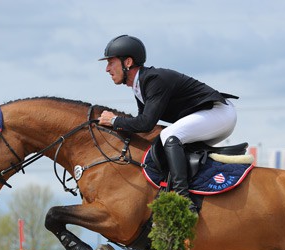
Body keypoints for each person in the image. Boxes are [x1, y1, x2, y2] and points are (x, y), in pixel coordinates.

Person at [98, 35, 238, 213]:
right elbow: (143, 125)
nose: (107, 69)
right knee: (165, 141)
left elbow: (145, 123)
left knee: (169, 136)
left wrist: (114, 120)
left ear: (127, 62)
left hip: (219, 113)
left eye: (111, 62)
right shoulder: (139, 86)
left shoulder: (154, 80)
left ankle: (183, 199)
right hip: (211, 116)